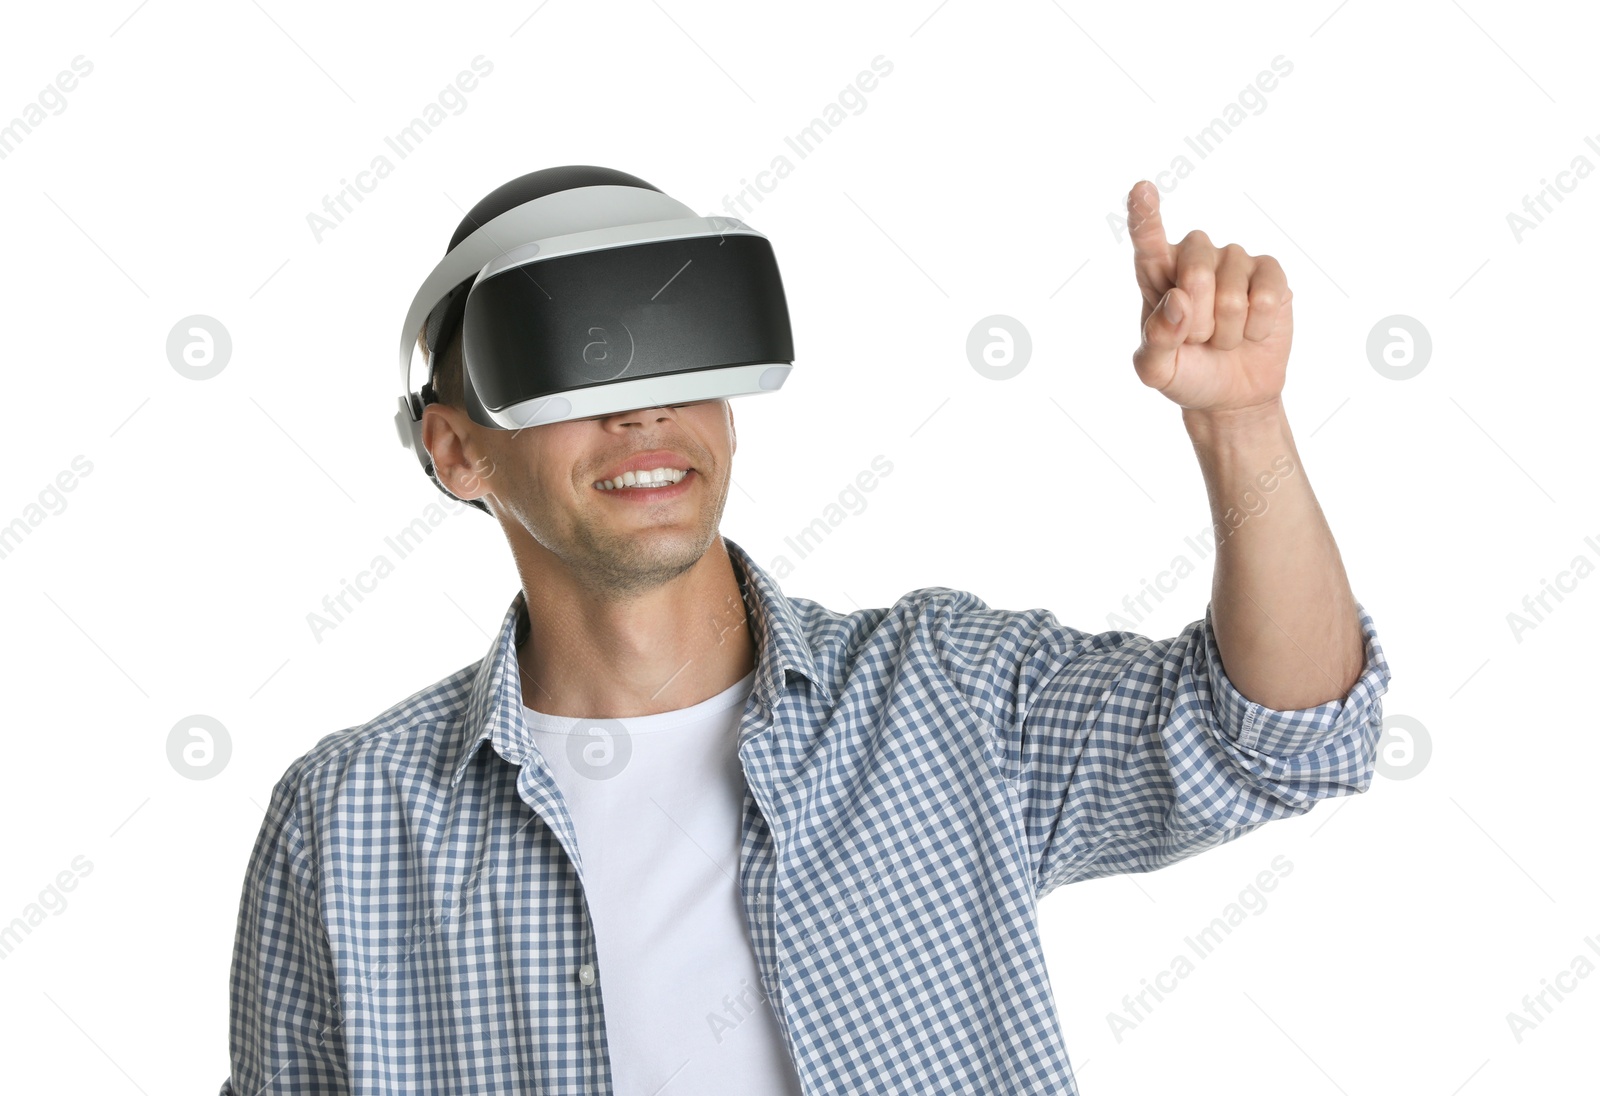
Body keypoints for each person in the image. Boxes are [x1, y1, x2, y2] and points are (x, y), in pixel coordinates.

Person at [220, 172, 1391, 1095]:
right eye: (574, 364)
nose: (644, 408)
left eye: (680, 346)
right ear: (457, 450)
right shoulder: (347, 819)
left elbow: (1285, 737)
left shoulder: (942, 694)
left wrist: (1241, 423)